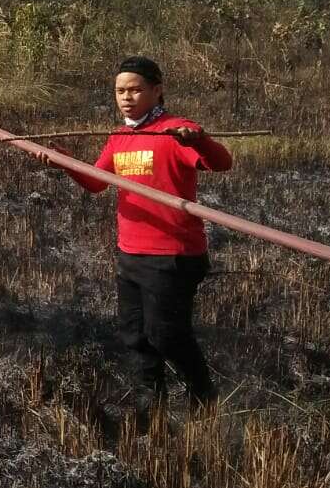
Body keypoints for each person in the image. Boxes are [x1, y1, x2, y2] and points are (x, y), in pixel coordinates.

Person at [41, 56, 231, 410]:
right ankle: (151, 397)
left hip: (173, 254)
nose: (126, 97)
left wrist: (199, 140)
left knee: (167, 335)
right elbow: (98, 183)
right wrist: (65, 161)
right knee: (135, 333)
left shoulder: (177, 131)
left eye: (135, 89)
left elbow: (222, 162)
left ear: (157, 91)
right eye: (119, 91)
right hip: (130, 251)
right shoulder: (120, 137)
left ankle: (203, 398)